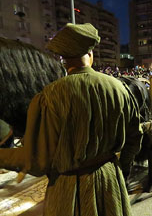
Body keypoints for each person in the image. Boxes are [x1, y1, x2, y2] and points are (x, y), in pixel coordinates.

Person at [0, 23, 143, 216]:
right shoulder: (119, 89)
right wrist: (121, 171)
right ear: (90, 55)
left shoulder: (47, 97)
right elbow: (135, 137)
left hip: (67, 192)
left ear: (64, 61)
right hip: (110, 184)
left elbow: (37, 161)